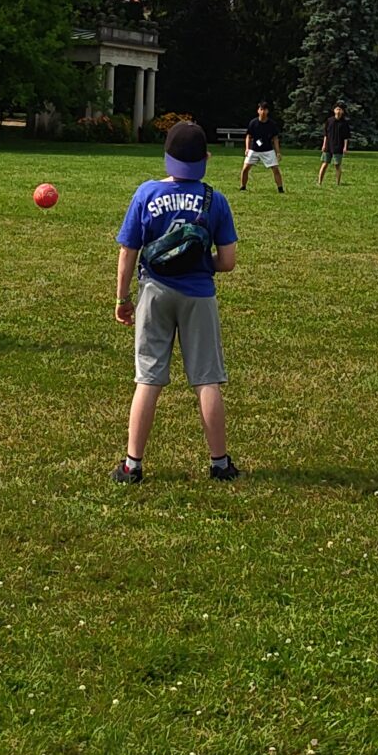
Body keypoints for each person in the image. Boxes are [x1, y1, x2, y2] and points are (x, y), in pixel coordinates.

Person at [112, 120, 240, 484]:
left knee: (148, 378)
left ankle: (133, 465)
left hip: (154, 292)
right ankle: (219, 463)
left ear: (167, 156)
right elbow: (228, 262)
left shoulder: (146, 193)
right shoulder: (215, 200)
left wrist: (122, 298)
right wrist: (199, 263)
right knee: (206, 379)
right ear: (206, 158)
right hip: (199, 295)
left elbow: (128, 251)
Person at [240, 102, 285, 192]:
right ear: (258, 111)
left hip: (268, 150)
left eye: (265, 110)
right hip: (254, 149)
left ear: (268, 111)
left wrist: (278, 152)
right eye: (261, 109)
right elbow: (248, 136)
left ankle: (280, 189)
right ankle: (243, 187)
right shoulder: (253, 123)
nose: (263, 112)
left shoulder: (271, 124)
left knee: (275, 169)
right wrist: (247, 148)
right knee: (245, 168)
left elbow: (275, 138)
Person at [317, 104, 350, 186]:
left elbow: (346, 137)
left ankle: (338, 183)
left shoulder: (344, 123)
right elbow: (325, 134)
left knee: (337, 165)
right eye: (337, 109)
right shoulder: (329, 121)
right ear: (334, 111)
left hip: (338, 146)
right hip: (328, 145)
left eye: (340, 109)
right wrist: (324, 145)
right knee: (325, 163)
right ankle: (319, 182)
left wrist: (345, 147)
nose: (338, 111)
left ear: (342, 111)